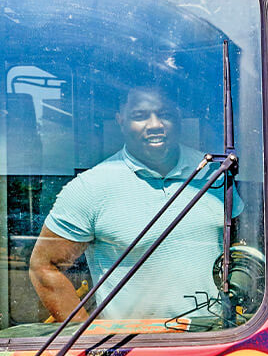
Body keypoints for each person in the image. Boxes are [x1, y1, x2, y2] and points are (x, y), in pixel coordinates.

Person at [29, 84, 241, 322]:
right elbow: (43, 266)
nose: (155, 125)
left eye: (164, 114)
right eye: (140, 116)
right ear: (120, 120)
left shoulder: (215, 173)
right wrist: (85, 334)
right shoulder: (91, 187)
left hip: (220, 336)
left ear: (179, 117)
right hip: (134, 341)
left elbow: (242, 248)